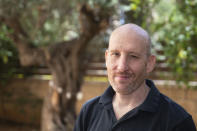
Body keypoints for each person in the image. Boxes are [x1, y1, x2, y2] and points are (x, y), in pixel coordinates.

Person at [74, 23, 196, 131]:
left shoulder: (177, 122)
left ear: (149, 63)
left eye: (133, 56)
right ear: (106, 58)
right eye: (115, 54)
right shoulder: (89, 111)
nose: (122, 67)